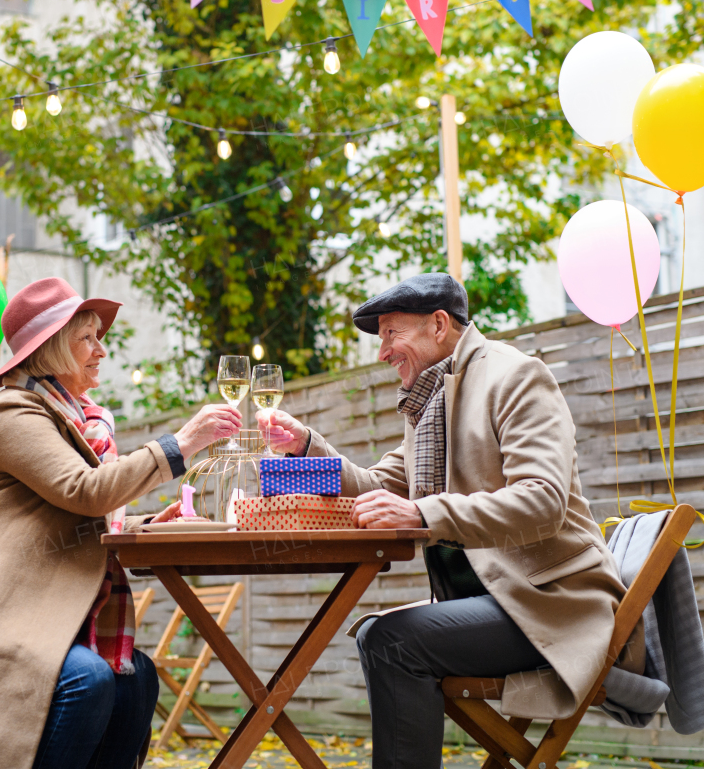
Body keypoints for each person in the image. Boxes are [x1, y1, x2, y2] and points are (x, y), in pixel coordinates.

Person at [259, 273, 641, 769]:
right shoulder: (432, 403)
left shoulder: (515, 376)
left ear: (439, 325)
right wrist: (308, 448)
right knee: (381, 634)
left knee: (391, 641)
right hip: (495, 601)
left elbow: (542, 500)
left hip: (552, 606)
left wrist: (424, 512)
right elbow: (380, 486)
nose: (382, 353)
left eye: (391, 334)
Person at [0, 277, 241, 769]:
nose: (101, 350)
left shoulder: (79, 422)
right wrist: (182, 443)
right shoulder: (13, 416)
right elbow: (84, 493)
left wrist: (144, 524)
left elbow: (75, 516)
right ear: (52, 349)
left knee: (138, 678)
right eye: (87, 338)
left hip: (39, 612)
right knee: (89, 679)